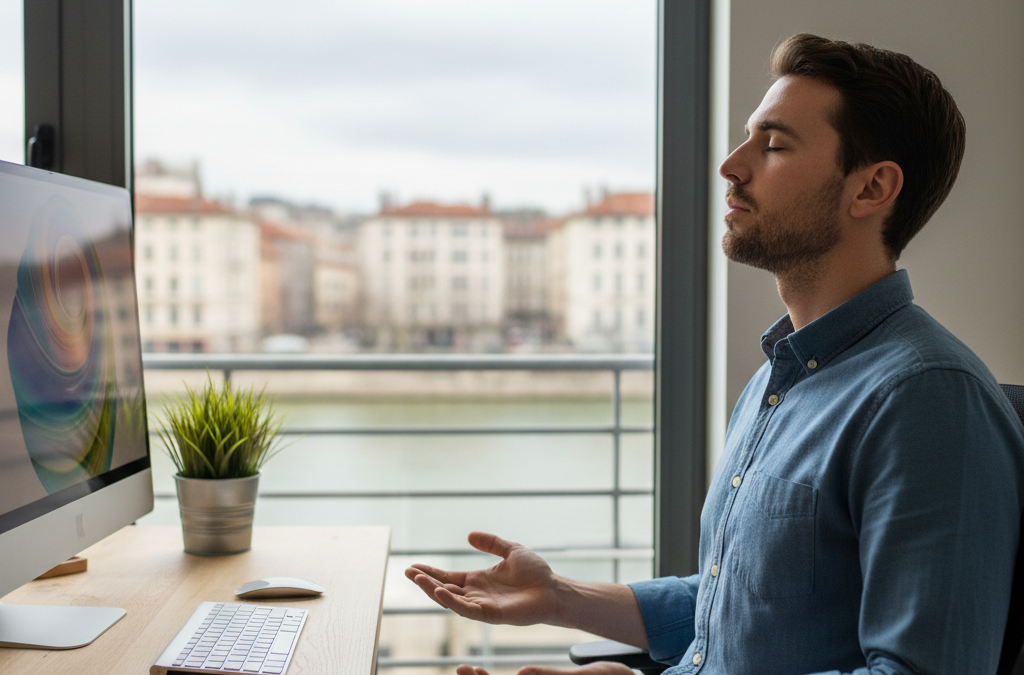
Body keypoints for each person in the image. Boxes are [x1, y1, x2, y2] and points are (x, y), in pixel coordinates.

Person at [406, 34, 1024, 675]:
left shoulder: (928, 399)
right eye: (746, 138)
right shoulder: (776, 381)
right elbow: (742, 604)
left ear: (871, 189)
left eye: (775, 145)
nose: (731, 164)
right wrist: (561, 597)